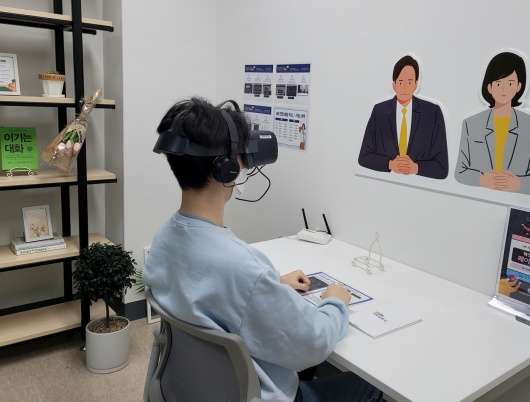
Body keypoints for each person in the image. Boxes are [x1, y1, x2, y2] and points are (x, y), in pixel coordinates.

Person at [144, 97, 383, 402]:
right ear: (227, 169)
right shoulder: (243, 267)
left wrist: (272, 285)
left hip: (188, 391)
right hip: (258, 395)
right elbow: (313, 343)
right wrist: (335, 302)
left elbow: (201, 289)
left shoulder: (165, 237)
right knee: (371, 386)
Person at [454, 52, 530, 195]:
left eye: (510, 83)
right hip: (479, 197)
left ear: (519, 86)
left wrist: (518, 183)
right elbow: (460, 172)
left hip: (515, 200)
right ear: (489, 87)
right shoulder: (471, 124)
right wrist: (481, 180)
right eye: (498, 83)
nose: (503, 89)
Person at [358, 55, 449, 179]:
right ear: (394, 85)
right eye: (400, 82)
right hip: (383, 183)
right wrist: (390, 164)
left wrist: (416, 168)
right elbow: (364, 157)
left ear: (416, 85)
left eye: (409, 82)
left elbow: (442, 167)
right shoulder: (379, 111)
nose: (405, 87)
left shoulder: (432, 112)